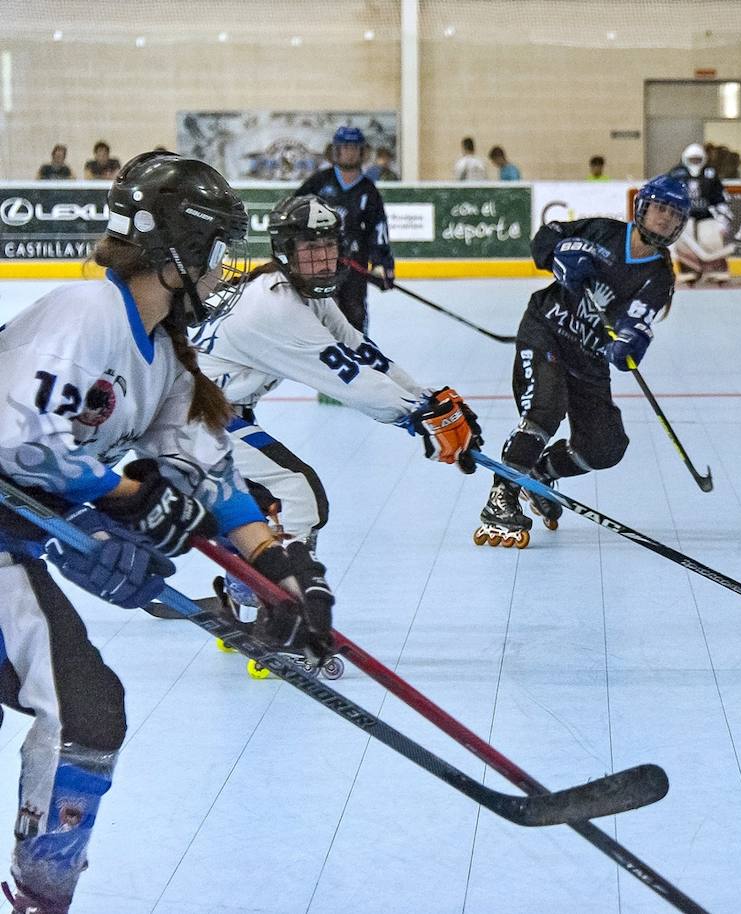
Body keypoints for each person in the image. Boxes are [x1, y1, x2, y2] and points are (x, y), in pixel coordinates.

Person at [0, 151, 335, 914]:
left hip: (10, 551)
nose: (226, 267)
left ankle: (35, 895)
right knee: (84, 710)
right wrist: (120, 495)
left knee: (89, 710)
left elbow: (213, 481)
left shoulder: (166, 363)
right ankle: (37, 898)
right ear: (182, 251)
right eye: (218, 248)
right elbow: (15, 440)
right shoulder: (89, 319)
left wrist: (284, 574)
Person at [192, 195, 480, 601]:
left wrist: (428, 400)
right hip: (192, 420)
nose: (324, 259)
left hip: (212, 413)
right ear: (286, 252)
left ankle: (245, 594)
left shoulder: (305, 293)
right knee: (299, 491)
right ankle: (287, 602)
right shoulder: (276, 308)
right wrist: (420, 420)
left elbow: (362, 353)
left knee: (261, 501)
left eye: (329, 246)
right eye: (311, 249)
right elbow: (349, 381)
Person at [473, 174, 689, 549]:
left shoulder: (659, 276)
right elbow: (546, 237)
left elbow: (637, 322)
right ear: (643, 207)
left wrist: (629, 344)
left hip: (589, 357)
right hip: (547, 330)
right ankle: (502, 495)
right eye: (660, 209)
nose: (665, 219)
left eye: (674, 215)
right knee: (546, 407)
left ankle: (539, 474)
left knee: (605, 446)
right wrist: (558, 258)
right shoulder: (603, 231)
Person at [296, 125, 394, 334]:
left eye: (354, 148)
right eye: (344, 147)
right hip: (319, 263)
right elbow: (295, 212)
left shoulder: (369, 190)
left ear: (362, 152)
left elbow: (378, 228)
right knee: (318, 312)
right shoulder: (319, 182)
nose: (349, 152)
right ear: (335, 151)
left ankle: (358, 358)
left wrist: (382, 263)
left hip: (354, 265)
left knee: (354, 314)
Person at [667, 144, 733, 285]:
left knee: (711, 238)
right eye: (692, 159)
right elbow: (669, 194)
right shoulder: (675, 173)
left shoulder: (710, 173)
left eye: (698, 159)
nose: (695, 162)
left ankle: (716, 271)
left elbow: (718, 196)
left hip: (706, 214)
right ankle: (689, 271)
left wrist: (722, 217)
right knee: (684, 241)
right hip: (684, 214)